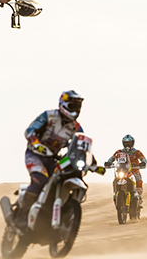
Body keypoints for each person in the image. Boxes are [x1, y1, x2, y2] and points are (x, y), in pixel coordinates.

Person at [15, 90, 102, 229]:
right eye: (73, 106)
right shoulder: (49, 116)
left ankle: (57, 216)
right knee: (41, 181)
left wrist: (92, 163)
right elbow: (29, 131)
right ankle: (21, 215)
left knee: (61, 178)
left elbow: (82, 146)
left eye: (78, 107)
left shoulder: (76, 127)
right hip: (36, 154)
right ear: (64, 104)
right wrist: (36, 143)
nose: (76, 110)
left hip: (53, 158)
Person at [104, 134, 147, 205]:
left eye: (129, 143)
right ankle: (115, 194)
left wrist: (142, 163)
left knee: (138, 179)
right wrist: (108, 162)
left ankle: (138, 198)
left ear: (132, 143)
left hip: (134, 171)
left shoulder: (136, 152)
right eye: (126, 143)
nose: (127, 145)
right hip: (122, 171)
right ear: (123, 143)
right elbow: (112, 158)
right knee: (115, 180)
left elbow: (144, 159)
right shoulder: (119, 152)